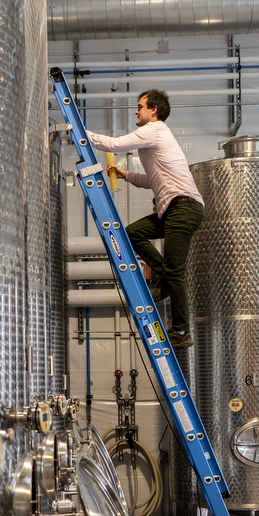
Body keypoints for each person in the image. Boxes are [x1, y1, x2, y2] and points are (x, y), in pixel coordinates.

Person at [87, 89, 203, 348]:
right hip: (173, 209)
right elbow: (151, 181)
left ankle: (182, 331)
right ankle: (163, 276)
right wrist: (125, 174)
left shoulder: (156, 129)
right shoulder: (156, 138)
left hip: (182, 209)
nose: (136, 111)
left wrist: (82, 135)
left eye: (140, 106)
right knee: (130, 233)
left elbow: (115, 144)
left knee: (176, 271)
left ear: (154, 111)